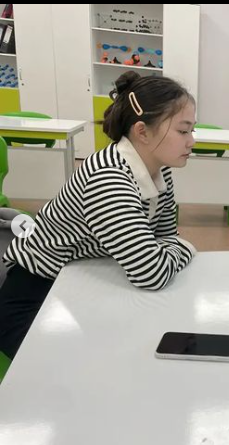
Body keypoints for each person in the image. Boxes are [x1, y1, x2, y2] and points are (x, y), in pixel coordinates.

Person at [0, 71, 197, 359]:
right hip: (36, 301)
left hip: (82, 287)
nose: (192, 141)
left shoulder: (160, 168)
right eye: (183, 131)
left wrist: (165, 248)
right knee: (100, 366)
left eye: (192, 130)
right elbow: (151, 273)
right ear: (142, 132)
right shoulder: (108, 178)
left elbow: (165, 237)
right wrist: (185, 247)